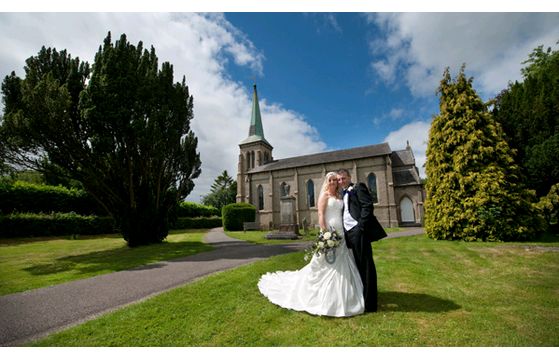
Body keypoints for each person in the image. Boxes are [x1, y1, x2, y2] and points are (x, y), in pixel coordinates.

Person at [257, 172, 364, 317]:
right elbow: (321, 215)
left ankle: (347, 294)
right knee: (325, 262)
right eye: (330, 180)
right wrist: (326, 234)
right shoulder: (324, 195)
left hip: (341, 232)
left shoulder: (340, 196)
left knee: (343, 260)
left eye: (335, 180)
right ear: (327, 182)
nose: (333, 182)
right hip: (329, 231)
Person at [337, 168, 387, 312]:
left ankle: (370, 303)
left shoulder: (358, 187)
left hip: (358, 232)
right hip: (348, 234)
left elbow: (367, 206)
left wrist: (361, 227)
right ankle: (361, 296)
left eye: (343, 178)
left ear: (349, 177)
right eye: (339, 179)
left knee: (366, 266)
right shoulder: (343, 192)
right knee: (356, 265)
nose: (341, 181)